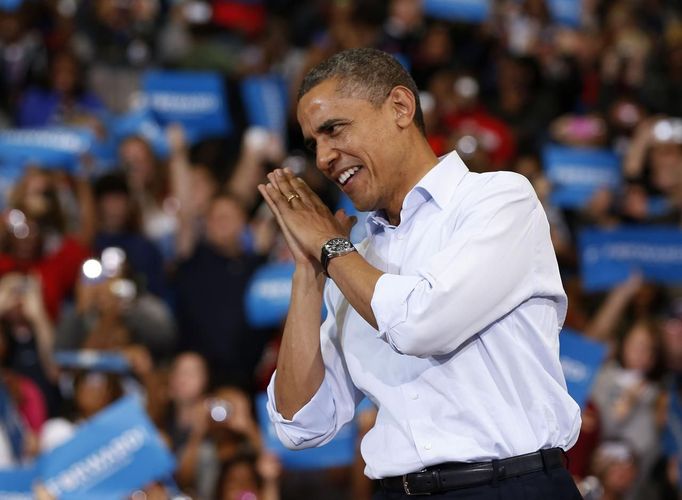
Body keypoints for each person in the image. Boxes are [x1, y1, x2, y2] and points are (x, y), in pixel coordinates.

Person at [259, 47, 582, 499]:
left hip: (511, 485)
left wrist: (331, 249)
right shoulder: (352, 259)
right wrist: (307, 272)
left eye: (334, 129)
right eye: (314, 143)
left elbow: (420, 324)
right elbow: (302, 424)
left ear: (400, 108)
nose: (323, 158)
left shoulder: (499, 200)